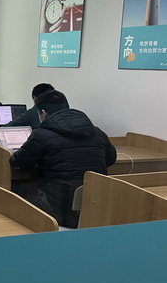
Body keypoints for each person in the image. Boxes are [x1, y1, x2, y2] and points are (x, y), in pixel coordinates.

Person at [9, 90, 116, 228]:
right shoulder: (97, 132)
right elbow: (111, 159)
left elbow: (18, 164)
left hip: (60, 211)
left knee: (14, 194)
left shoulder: (41, 134)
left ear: (43, 113)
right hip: (94, 209)